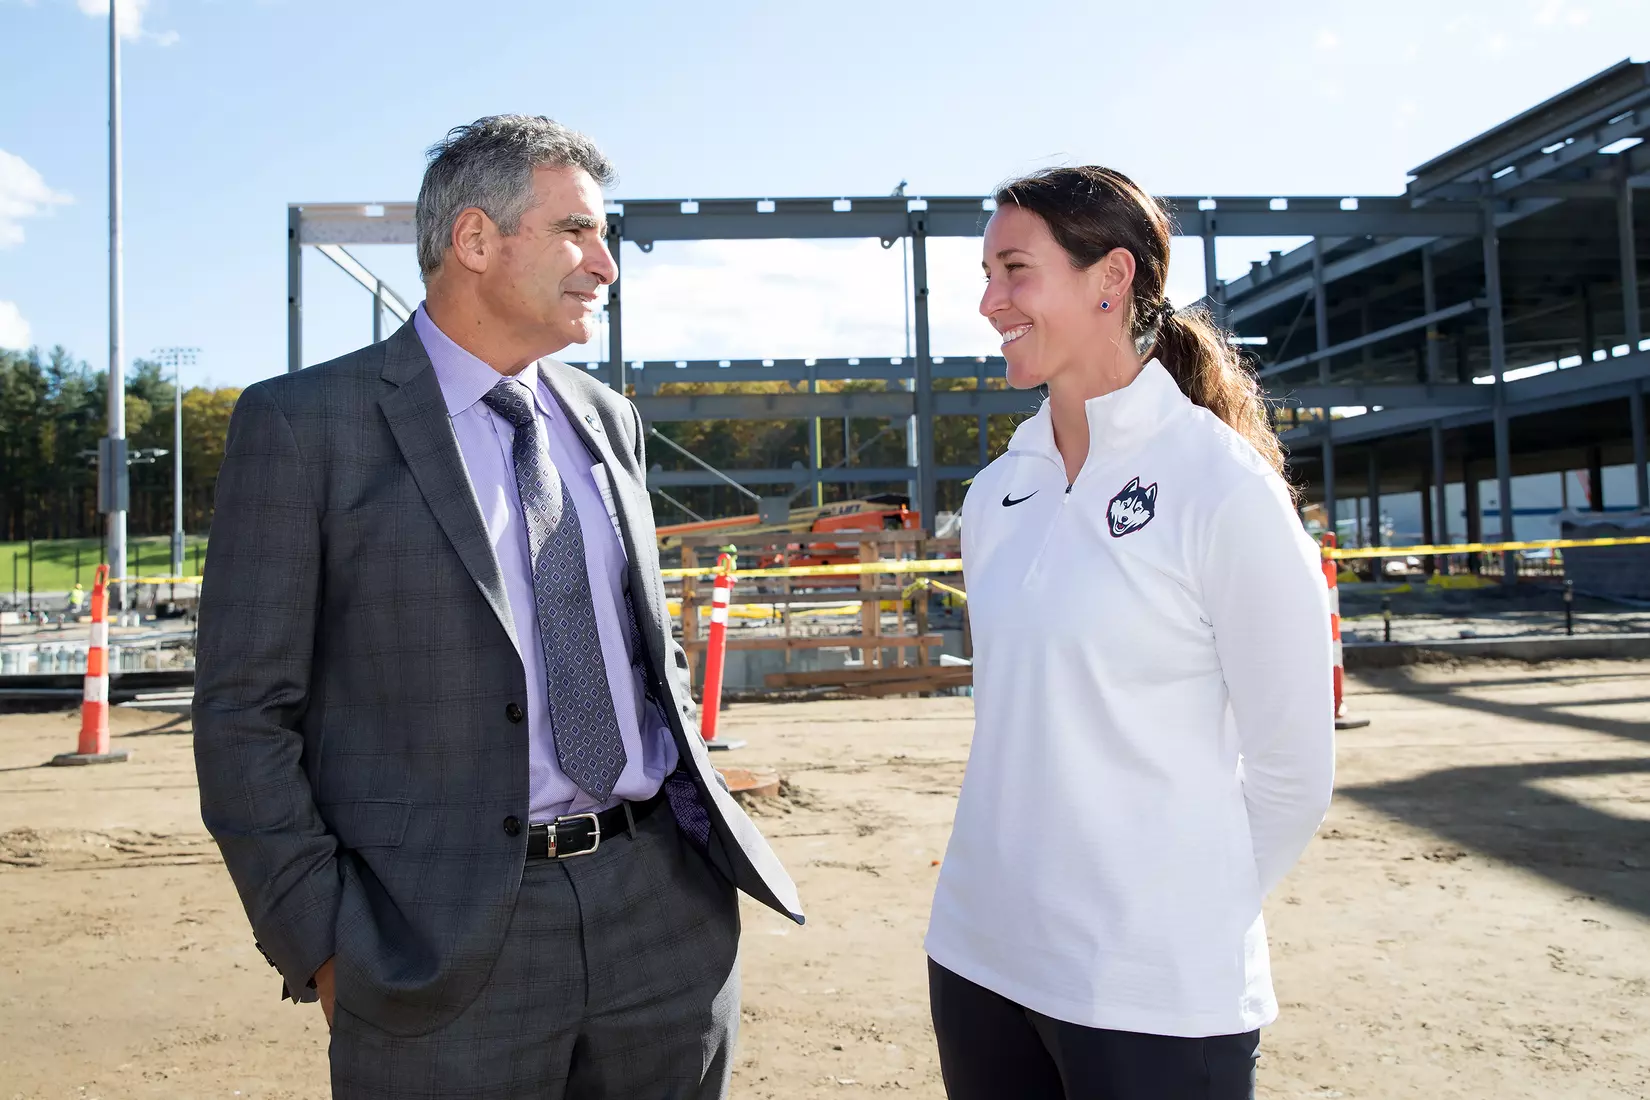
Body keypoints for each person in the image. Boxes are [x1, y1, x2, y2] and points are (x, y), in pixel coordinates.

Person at [193, 115, 802, 1100]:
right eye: (577, 231)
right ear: (476, 240)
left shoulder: (608, 419)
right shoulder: (304, 426)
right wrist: (323, 943)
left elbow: (647, 649)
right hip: (437, 941)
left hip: (662, 914)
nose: (604, 263)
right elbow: (242, 711)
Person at [924, 166, 1335, 1100]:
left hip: (1148, 993)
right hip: (980, 959)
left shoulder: (1221, 487)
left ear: (1111, 277)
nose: (989, 303)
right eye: (985, 274)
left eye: (1014, 270)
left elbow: (1293, 774)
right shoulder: (998, 493)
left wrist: (1174, 918)